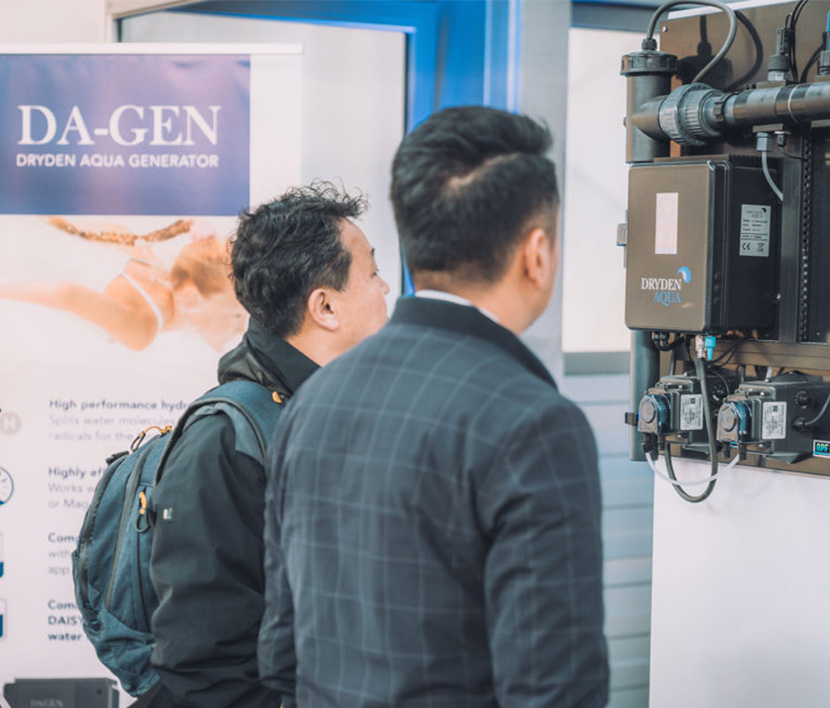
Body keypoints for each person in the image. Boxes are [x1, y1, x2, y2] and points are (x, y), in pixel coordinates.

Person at [260, 107, 610, 707]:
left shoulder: (313, 400)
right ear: (537, 253)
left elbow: (280, 654)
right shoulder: (534, 423)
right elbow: (553, 688)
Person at [138, 182, 390, 708]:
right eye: (372, 272)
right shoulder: (224, 441)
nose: (385, 287)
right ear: (325, 306)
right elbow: (205, 664)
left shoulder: (327, 410)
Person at [0, 217, 248, 351]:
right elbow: (64, 293)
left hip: (20, 238)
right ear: (192, 298)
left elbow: (78, 227)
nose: (241, 328)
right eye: (236, 315)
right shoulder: (143, 326)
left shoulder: (148, 257)